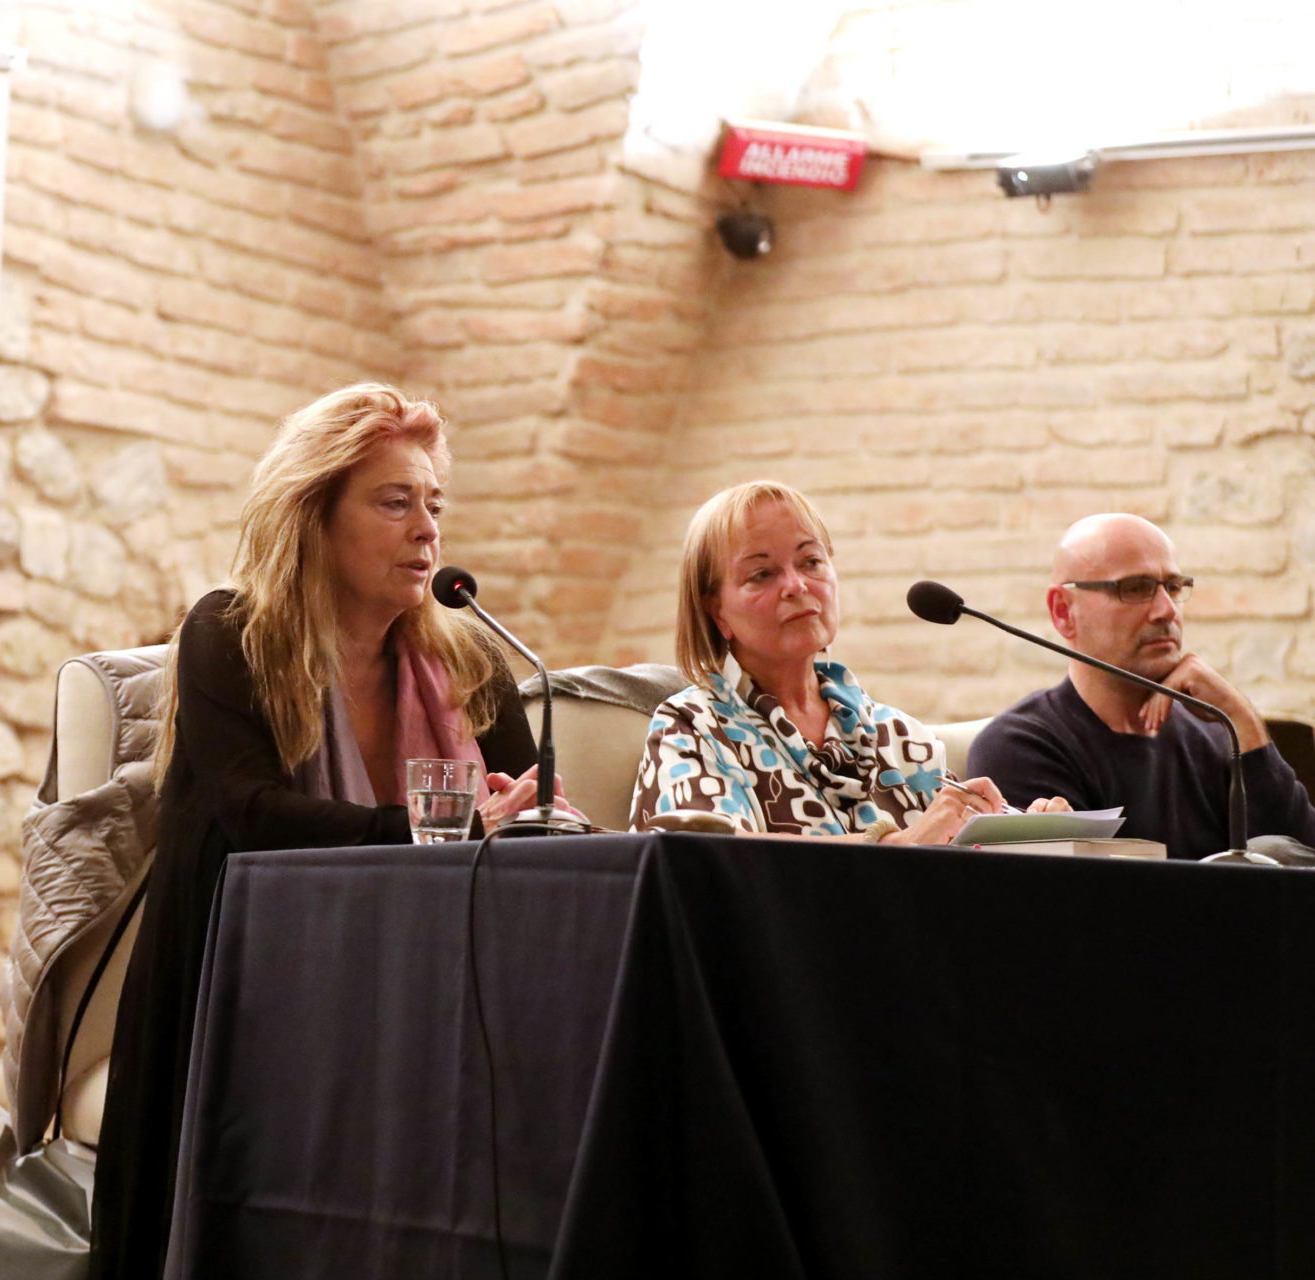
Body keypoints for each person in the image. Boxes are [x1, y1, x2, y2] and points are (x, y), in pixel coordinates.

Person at [89, 383, 559, 1280]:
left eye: (435, 505)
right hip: (237, 991)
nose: (427, 530)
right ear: (314, 515)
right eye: (394, 502)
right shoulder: (233, 633)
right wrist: (446, 828)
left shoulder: (468, 657)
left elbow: (533, 804)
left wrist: (524, 811)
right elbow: (255, 817)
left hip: (432, 994)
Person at [629, 480, 1065, 841]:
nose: (797, 585)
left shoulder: (899, 737)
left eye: (811, 560)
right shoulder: (690, 728)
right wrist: (891, 844)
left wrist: (1029, 834)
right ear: (716, 611)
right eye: (762, 573)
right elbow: (710, 864)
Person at [967, 513, 1315, 860]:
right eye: (1135, 588)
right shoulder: (1022, 747)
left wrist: (1241, 718)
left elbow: (1299, 863)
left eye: (1174, 587)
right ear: (1063, 612)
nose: (1166, 610)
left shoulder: (1215, 734)